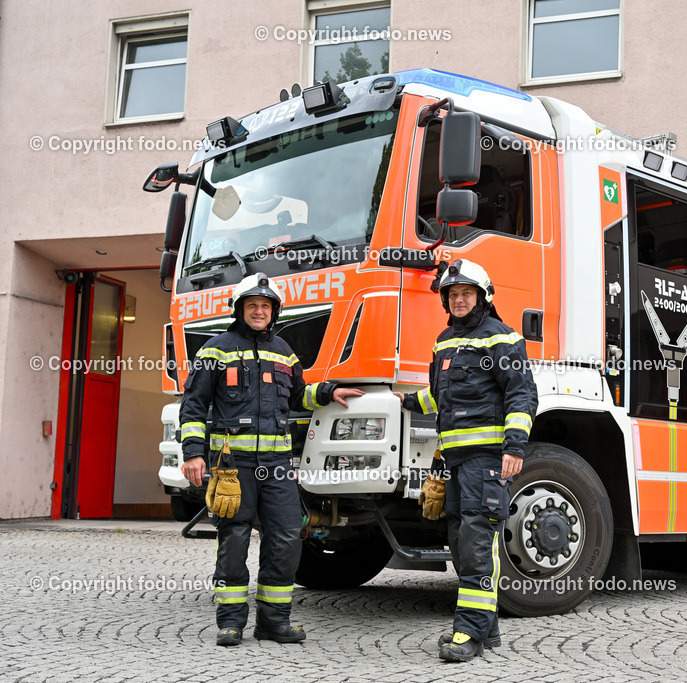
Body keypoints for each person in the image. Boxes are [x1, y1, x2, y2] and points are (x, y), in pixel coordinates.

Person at [180, 272, 363, 646]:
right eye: (252, 305)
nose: (259, 311)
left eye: (265, 306)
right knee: (234, 539)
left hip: (278, 467)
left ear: (274, 310)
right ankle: (230, 622)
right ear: (240, 309)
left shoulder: (284, 351)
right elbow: (194, 405)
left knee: (286, 538)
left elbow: (299, 396)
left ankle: (274, 623)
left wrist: (328, 392)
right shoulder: (216, 349)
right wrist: (193, 454)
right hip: (232, 467)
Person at [396, 259, 538, 662]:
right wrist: (405, 401)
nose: (459, 300)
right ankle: (485, 626)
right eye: (453, 294)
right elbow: (440, 398)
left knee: (477, 543)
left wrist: (514, 447)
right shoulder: (444, 341)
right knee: (460, 543)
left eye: (466, 294)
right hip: (456, 463)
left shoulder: (501, 338)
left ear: (483, 297)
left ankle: (469, 633)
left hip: (488, 460)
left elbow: (522, 395)